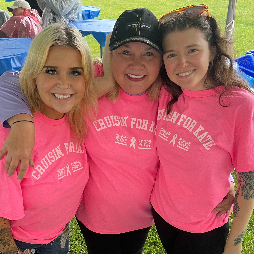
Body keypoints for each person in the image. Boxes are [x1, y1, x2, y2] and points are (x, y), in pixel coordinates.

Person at [0, 8, 235, 254]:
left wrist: (222, 178)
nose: (137, 63)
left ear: (162, 60)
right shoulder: (88, 83)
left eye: (148, 53)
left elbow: (199, 134)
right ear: (110, 55)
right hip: (95, 219)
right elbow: (15, 80)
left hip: (141, 216)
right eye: (125, 52)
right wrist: (22, 121)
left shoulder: (168, 94)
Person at [150, 4, 254, 254]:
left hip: (204, 226)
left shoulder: (239, 105)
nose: (182, 63)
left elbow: (249, 180)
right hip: (162, 212)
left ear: (213, 51)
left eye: (192, 50)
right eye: (171, 54)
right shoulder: (165, 91)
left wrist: (235, 245)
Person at [0, 22, 98, 254]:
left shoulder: (78, 115)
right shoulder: (13, 133)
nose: (64, 84)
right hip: (22, 244)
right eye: (51, 70)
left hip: (60, 233)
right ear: (34, 75)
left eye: (75, 72)